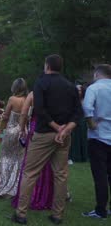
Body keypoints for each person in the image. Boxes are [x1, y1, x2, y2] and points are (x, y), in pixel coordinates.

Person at [12, 54, 82, 225]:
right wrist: (66, 128)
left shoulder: (41, 83)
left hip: (44, 134)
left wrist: (57, 127)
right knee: (61, 175)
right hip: (64, 135)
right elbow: (78, 113)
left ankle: (21, 214)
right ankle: (57, 215)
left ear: (47, 66)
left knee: (30, 173)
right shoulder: (70, 86)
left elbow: (41, 110)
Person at [12, 91, 54, 210]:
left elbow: (24, 113)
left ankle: (28, 198)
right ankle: (46, 197)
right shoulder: (60, 90)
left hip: (36, 129)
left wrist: (21, 129)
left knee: (30, 165)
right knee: (49, 163)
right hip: (53, 129)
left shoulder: (34, 93)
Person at [82, 64, 111, 219]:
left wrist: (91, 123)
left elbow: (86, 107)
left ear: (97, 74)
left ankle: (101, 209)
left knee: (100, 175)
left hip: (98, 136)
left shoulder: (95, 88)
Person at [0, 78, 28, 198]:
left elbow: (6, 116)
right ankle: (16, 187)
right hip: (24, 132)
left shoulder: (12, 99)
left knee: (6, 158)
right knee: (19, 160)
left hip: (11, 131)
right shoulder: (27, 100)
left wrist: (1, 130)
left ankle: (3, 187)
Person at [69, 84, 88, 163]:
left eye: (79, 90)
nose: (78, 92)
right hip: (74, 121)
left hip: (83, 122)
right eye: (76, 90)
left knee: (83, 139)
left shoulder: (86, 100)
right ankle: (75, 157)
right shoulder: (72, 100)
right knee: (75, 140)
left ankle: (85, 157)